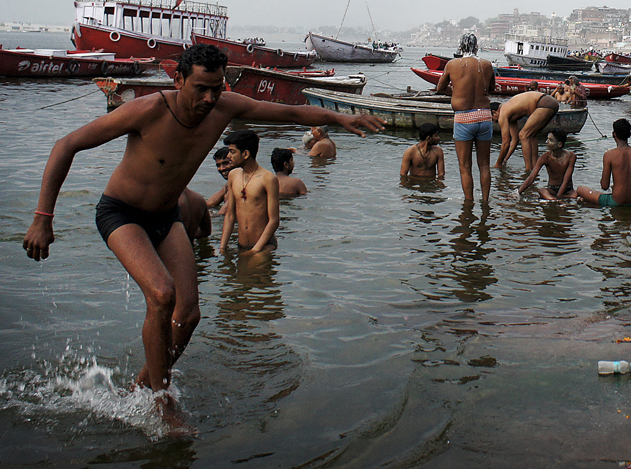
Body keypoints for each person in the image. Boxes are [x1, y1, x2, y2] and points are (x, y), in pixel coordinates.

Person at [21, 44, 383, 428]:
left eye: (217, 87)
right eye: (201, 88)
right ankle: (163, 402)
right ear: (178, 80)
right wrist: (43, 218)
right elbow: (67, 145)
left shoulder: (224, 107)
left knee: (189, 316)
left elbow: (291, 112)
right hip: (122, 213)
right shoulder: (149, 110)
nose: (210, 98)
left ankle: (146, 381)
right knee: (161, 294)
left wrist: (339, 117)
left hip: (166, 216)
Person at [435, 34, 496, 205]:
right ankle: (485, 203)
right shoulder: (486, 64)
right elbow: (491, 88)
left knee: (465, 167)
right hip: (484, 116)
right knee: (484, 165)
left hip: (463, 117)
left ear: (460, 48)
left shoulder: (452, 64)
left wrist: (456, 93)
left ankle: (469, 205)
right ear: (477, 47)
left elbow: (440, 88)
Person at [220, 129, 279, 256]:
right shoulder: (233, 175)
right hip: (241, 245)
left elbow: (274, 220)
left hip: (264, 246)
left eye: (232, 152)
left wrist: (255, 251)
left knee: (256, 270)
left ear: (245, 154)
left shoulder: (267, 178)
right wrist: (222, 248)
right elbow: (230, 216)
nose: (228, 156)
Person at [577, 119, 631, 207]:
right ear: (629, 135)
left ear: (613, 134)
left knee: (580, 189)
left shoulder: (609, 155)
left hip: (616, 201)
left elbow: (604, 186)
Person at [493, 91, 561, 172]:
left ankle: (528, 170)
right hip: (551, 102)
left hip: (543, 103)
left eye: (492, 119)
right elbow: (514, 141)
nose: (494, 122)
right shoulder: (510, 114)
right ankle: (535, 168)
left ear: (494, 112)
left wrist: (498, 163)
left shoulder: (503, 113)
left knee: (524, 134)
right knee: (531, 135)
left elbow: (505, 143)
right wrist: (505, 159)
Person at [516, 128, 577, 200]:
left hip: (568, 189)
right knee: (542, 191)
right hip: (552, 189)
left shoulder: (571, 156)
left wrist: (559, 196)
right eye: (547, 139)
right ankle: (554, 200)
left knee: (578, 192)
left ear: (559, 144)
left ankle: (554, 199)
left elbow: (566, 180)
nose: (546, 142)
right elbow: (531, 177)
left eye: (550, 140)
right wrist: (518, 193)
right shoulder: (544, 157)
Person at [206, 146, 232, 211]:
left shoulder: (241, 184)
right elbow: (209, 204)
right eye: (218, 165)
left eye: (225, 163)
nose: (221, 168)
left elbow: (222, 213)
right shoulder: (228, 185)